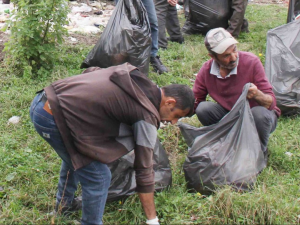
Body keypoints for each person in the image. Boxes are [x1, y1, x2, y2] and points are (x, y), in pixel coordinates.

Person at [30, 64, 194, 225]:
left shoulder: (132, 75)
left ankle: (63, 207)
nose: (173, 122)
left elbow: (92, 70)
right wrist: (152, 220)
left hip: (43, 100)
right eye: (176, 116)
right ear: (169, 102)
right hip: (52, 118)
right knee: (99, 177)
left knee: (77, 158)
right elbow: (144, 170)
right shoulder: (146, 113)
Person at [192, 28, 280, 154]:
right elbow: (195, 101)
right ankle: (226, 141)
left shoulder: (251, 62)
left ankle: (258, 152)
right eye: (226, 55)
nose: (233, 58)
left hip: (255, 116)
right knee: (203, 109)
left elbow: (271, 104)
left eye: (234, 50)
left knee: (260, 114)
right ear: (213, 57)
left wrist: (257, 95)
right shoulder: (206, 71)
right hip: (231, 116)